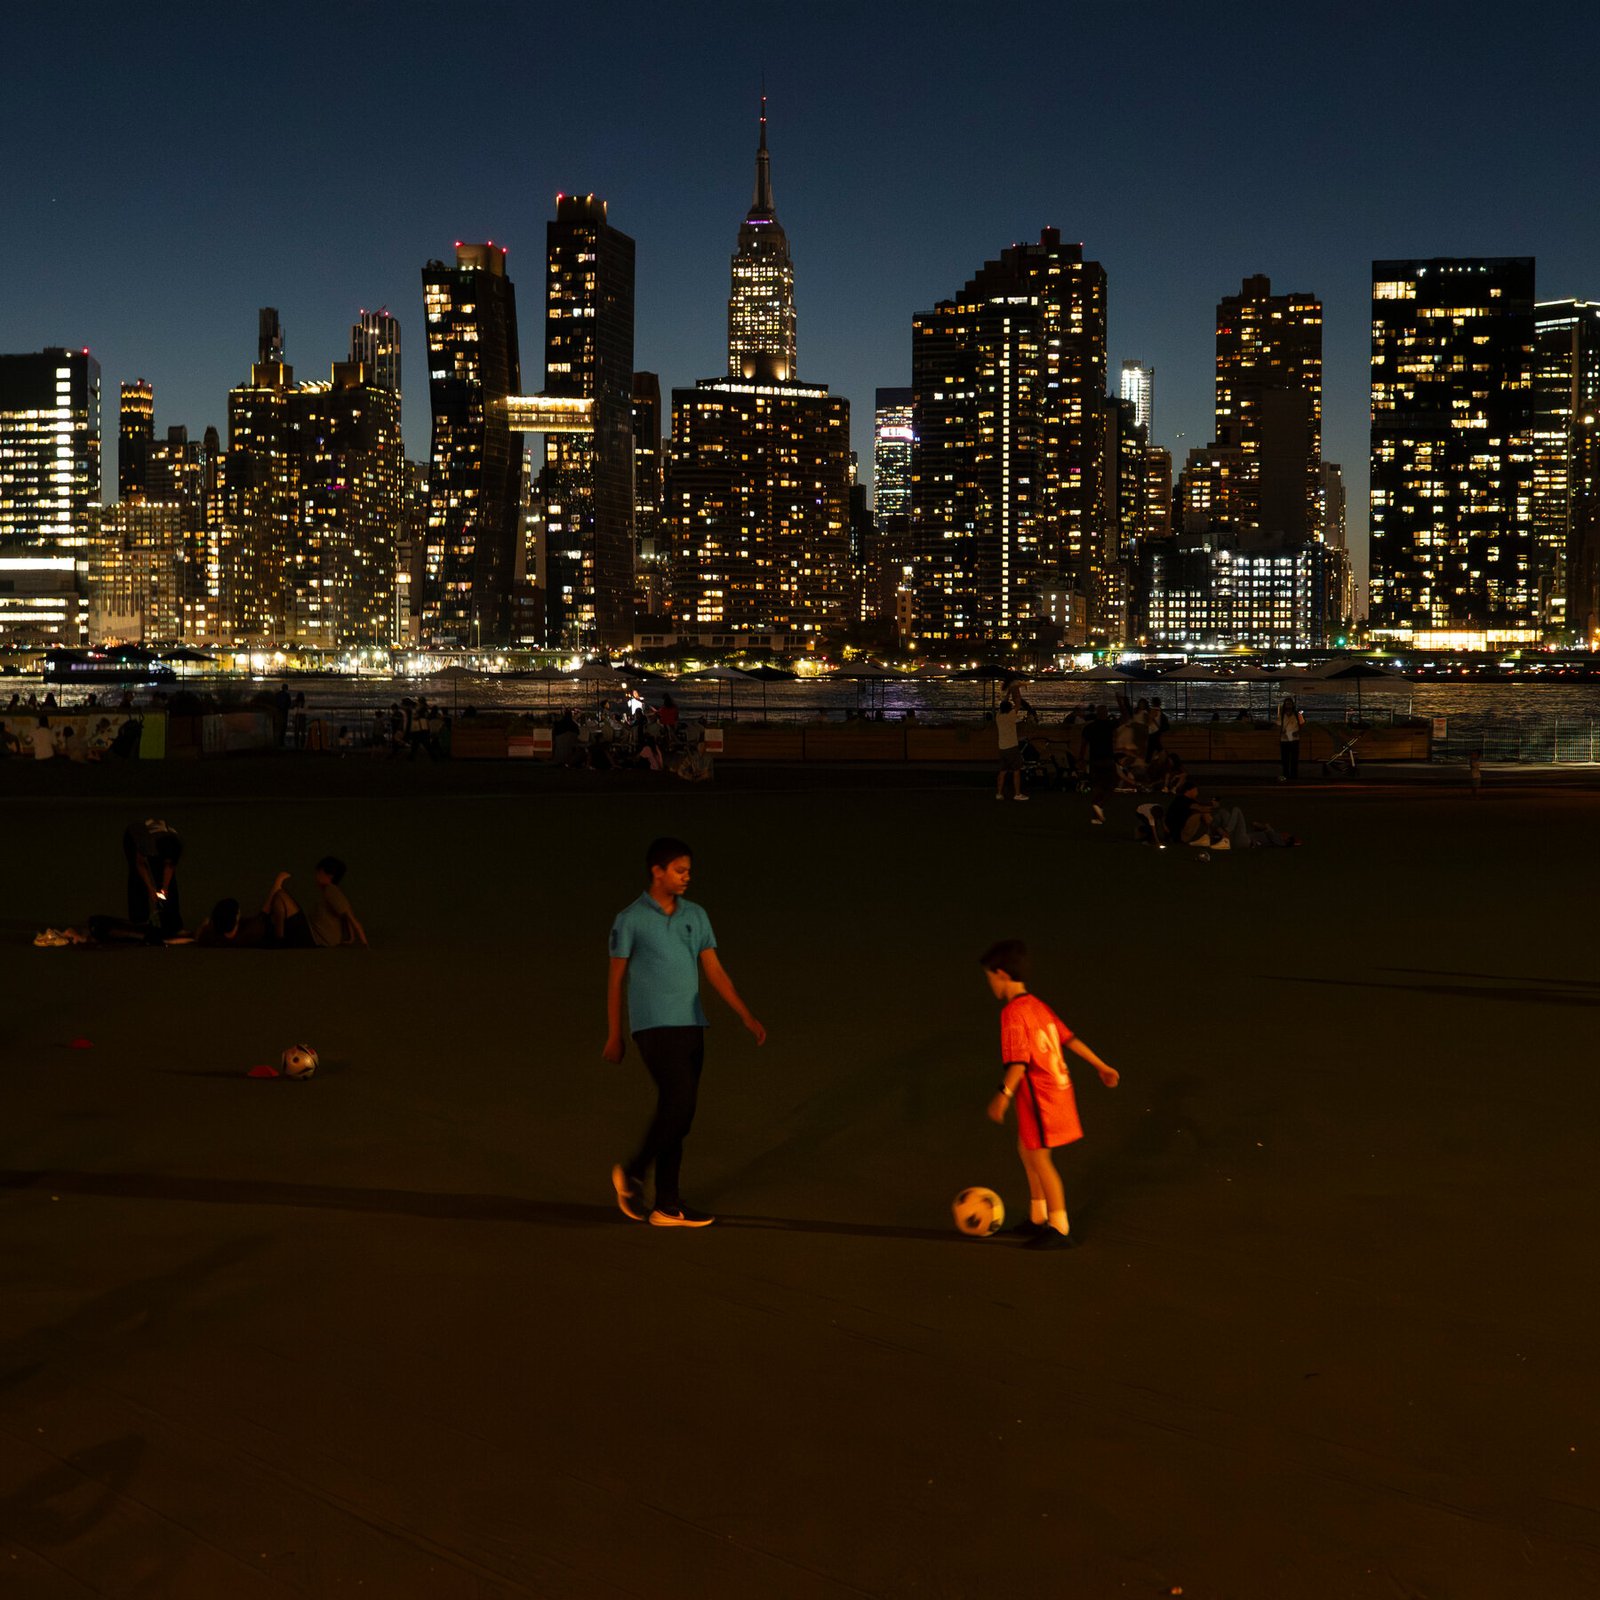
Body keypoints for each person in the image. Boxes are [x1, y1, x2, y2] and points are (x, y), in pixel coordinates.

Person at [604, 836, 766, 1228]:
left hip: (692, 1024)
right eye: (679, 870)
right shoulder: (630, 919)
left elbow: (714, 970)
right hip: (654, 1027)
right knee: (677, 1104)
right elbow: (616, 979)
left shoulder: (696, 915)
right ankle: (634, 1171)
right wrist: (614, 1034)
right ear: (657, 872)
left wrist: (745, 1014)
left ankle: (667, 1205)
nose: (686, 877)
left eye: (688, 871)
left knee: (679, 1114)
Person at [978, 939, 1119, 1249]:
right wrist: (1101, 1065)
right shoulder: (1037, 1005)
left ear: (1001, 974)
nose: (990, 985)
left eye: (989, 978)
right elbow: (1068, 1038)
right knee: (1027, 1149)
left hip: (1042, 1096)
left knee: (1040, 1159)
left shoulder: (1013, 1012)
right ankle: (1038, 1216)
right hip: (1056, 1090)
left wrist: (1003, 1095)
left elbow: (1019, 1062)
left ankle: (1059, 1227)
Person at [264, 858, 368, 948]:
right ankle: (278, 937)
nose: (316, 875)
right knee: (281, 906)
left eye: (319, 872)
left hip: (316, 938)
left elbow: (350, 916)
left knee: (280, 896)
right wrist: (351, 937)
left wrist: (363, 942)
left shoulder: (331, 890)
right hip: (315, 935)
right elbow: (345, 914)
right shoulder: (331, 891)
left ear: (329, 876)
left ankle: (279, 939)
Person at [123, 818, 184, 937]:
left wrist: (165, 888)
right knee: (137, 880)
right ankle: (139, 921)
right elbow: (140, 865)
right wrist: (150, 889)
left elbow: (170, 867)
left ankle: (173, 925)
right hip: (133, 837)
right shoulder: (147, 844)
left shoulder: (177, 845)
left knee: (170, 885)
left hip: (158, 843)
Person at [1081, 706, 1116, 825]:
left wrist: (1081, 758)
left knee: (1097, 786)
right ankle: (1099, 805)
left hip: (1094, 759)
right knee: (1111, 785)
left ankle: (1096, 811)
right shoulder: (1109, 725)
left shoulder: (1089, 727)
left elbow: (1083, 744)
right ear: (1106, 713)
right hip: (1108, 758)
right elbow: (1125, 718)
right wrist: (1121, 702)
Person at [994, 684, 1028, 802]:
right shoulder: (1011, 715)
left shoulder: (998, 716)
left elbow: (1004, 703)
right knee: (1016, 770)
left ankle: (999, 793)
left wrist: (1008, 692)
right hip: (1012, 747)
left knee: (1002, 771)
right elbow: (1018, 703)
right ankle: (1017, 793)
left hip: (1002, 747)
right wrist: (1016, 689)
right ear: (1010, 708)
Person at [1278, 695, 1304, 781]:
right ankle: (1286, 774)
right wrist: (1281, 733)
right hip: (1284, 739)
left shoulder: (1297, 714)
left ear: (1292, 705)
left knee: (1294, 759)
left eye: (1289, 704)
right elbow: (1278, 726)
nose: (1288, 706)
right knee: (1285, 759)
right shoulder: (1282, 715)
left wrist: (1298, 732)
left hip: (1294, 739)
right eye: (1287, 704)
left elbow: (1302, 724)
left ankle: (1293, 776)